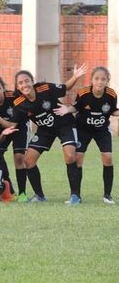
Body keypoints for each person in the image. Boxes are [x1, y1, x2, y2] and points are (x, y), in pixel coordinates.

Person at [11, 65, 87, 204]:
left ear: (32, 81)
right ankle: (39, 196)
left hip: (64, 124)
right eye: (20, 83)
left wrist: (75, 76)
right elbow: (13, 121)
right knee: (28, 160)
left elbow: (65, 88)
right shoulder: (19, 103)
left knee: (70, 156)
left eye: (27, 81)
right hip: (45, 130)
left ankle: (75, 196)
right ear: (17, 87)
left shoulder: (44, 88)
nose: (24, 84)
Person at [54, 66, 119, 204]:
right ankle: (75, 195)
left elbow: (113, 111)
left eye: (103, 79)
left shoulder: (112, 94)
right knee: (78, 158)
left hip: (101, 130)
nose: (100, 82)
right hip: (83, 129)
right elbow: (75, 107)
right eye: (97, 78)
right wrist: (67, 109)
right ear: (91, 80)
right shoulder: (83, 93)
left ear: (107, 81)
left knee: (108, 158)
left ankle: (107, 196)